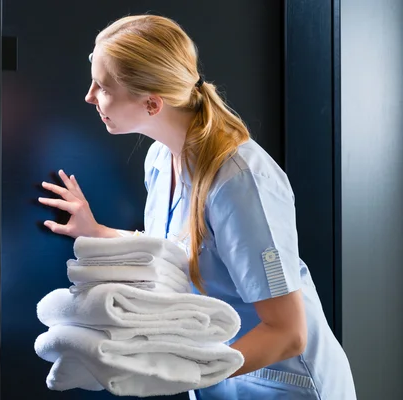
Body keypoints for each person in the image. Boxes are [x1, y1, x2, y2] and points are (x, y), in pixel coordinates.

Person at [37, 14, 356, 400]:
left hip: (281, 385)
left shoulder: (240, 181)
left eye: (102, 86)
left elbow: (288, 333)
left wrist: (180, 371)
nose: (89, 96)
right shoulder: (160, 159)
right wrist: (96, 231)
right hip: (220, 381)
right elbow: (176, 253)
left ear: (152, 103)